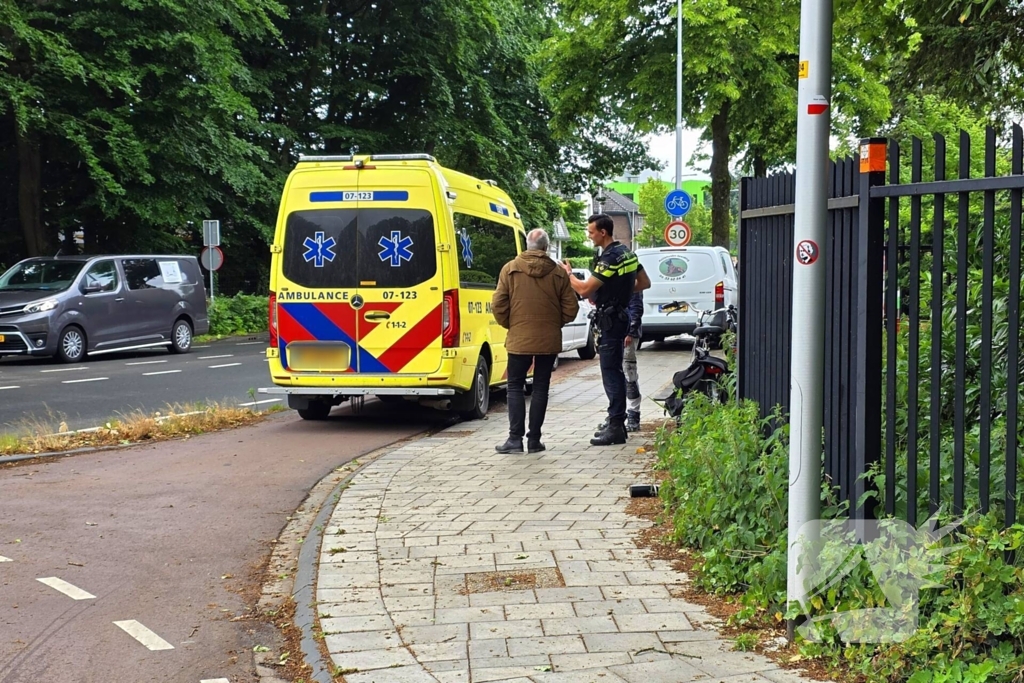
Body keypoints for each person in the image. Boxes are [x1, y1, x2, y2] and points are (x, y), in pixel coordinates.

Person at [562, 214, 650, 445]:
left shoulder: (610, 258)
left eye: (591, 232)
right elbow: (644, 283)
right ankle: (616, 423)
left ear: (603, 232)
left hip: (611, 321)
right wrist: (620, 292)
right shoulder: (628, 253)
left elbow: (583, 290)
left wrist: (568, 274)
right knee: (615, 371)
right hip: (620, 315)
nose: (589, 236)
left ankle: (616, 426)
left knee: (611, 373)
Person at [492, 228, 579, 454]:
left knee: (514, 386)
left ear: (527, 246)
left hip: (519, 338)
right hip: (548, 340)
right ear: (546, 247)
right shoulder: (559, 274)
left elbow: (498, 305)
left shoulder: (509, 269)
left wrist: (511, 324)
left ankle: (514, 440)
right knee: (541, 387)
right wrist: (553, 323)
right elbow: (571, 309)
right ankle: (534, 440)